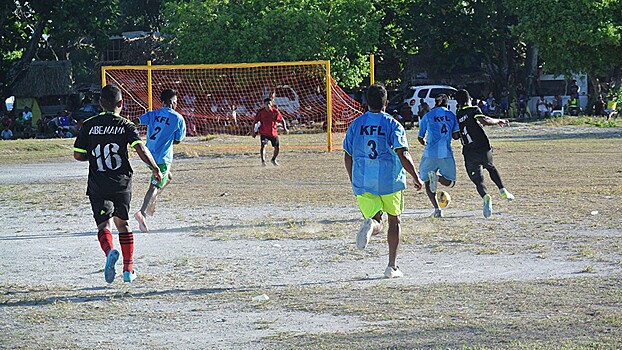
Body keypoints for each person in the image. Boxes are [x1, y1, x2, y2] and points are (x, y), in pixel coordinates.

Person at [73, 84, 162, 284]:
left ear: (100, 103)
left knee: (104, 224)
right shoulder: (126, 125)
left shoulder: (88, 124)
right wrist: (155, 168)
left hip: (98, 182)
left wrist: (93, 156)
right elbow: (141, 149)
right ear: (121, 103)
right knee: (123, 224)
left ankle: (109, 251)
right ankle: (128, 270)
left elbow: (78, 154)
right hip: (121, 182)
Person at [343, 82, 423, 278]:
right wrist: (416, 176)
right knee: (394, 220)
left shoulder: (356, 124)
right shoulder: (393, 124)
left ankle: (371, 225)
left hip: (363, 181)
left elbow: (347, 154)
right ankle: (391, 267)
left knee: (376, 219)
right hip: (389, 181)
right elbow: (403, 153)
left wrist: (353, 178)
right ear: (386, 103)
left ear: (365, 103)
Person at [455, 89, 515, 218]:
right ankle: (503, 190)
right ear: (469, 99)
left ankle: (485, 196)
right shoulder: (473, 109)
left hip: (469, 151)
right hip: (483, 147)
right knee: (490, 167)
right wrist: (498, 120)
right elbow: (484, 120)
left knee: (478, 180)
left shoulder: (457, 115)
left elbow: (455, 135)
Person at [133, 89, 187, 233]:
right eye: (175, 102)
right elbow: (178, 140)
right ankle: (142, 212)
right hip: (162, 158)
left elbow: (136, 122)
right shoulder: (178, 118)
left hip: (148, 156)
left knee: (168, 177)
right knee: (155, 185)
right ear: (171, 102)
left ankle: (151, 202)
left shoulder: (152, 114)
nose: (176, 104)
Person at [417, 94, 460, 218]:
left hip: (430, 153)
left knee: (426, 181)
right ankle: (437, 178)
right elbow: (456, 136)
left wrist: (425, 142)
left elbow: (420, 138)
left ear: (434, 104)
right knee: (451, 182)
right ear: (447, 105)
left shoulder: (428, 116)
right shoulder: (451, 115)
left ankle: (437, 209)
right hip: (445, 152)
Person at [252, 97, 289, 166]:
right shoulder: (260, 112)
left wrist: (285, 128)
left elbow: (282, 120)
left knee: (277, 147)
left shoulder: (275, 112)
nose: (268, 105)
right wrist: (253, 131)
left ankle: (273, 159)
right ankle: (263, 161)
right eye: (266, 104)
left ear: (271, 104)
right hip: (264, 133)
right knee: (263, 146)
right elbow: (254, 122)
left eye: (269, 104)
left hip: (273, 133)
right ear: (264, 105)